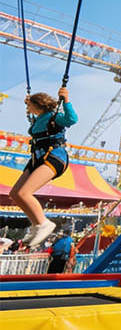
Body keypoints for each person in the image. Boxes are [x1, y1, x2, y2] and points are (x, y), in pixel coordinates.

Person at [9, 87, 77, 249]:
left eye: (29, 105)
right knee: (15, 194)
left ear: (37, 105)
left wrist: (66, 101)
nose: (27, 108)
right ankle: (37, 224)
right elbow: (33, 117)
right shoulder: (37, 118)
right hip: (37, 158)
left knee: (25, 193)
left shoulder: (53, 118)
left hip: (54, 157)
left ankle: (44, 223)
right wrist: (29, 101)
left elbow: (72, 119)